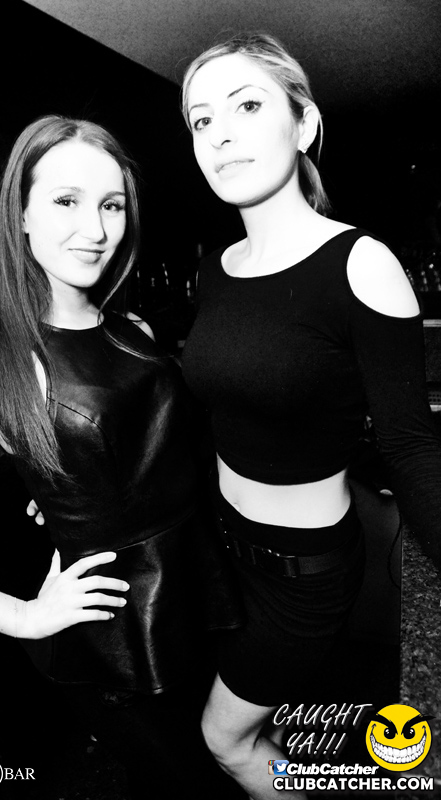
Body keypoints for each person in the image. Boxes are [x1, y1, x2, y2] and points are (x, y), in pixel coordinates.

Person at [0, 115, 245, 800]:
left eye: (111, 205)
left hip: (200, 595)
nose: (94, 229)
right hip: (115, 643)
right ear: (20, 214)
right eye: (66, 200)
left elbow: (156, 453)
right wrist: (22, 617)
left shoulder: (134, 328)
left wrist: (76, 481)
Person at [180, 32, 441, 800]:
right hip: (224, 555)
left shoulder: (359, 263)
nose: (218, 134)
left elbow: (410, 445)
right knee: (293, 732)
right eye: (200, 120)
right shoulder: (215, 271)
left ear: (303, 125)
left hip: (304, 578)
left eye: (246, 106)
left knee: (225, 740)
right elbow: (214, 416)